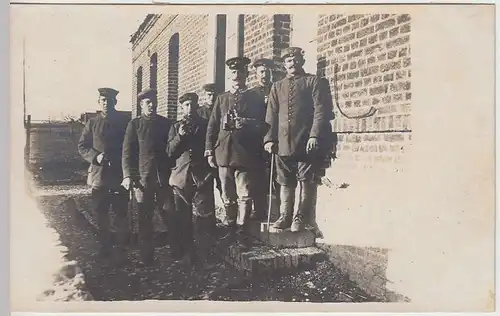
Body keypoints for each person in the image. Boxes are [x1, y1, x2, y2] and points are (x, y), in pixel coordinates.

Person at [264, 47, 332, 232]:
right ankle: (285, 216)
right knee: (285, 180)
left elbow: (320, 112)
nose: (291, 63)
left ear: (301, 61)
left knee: (305, 178)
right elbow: (271, 116)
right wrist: (269, 139)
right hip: (282, 143)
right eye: (288, 61)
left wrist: (314, 135)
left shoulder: (313, 82)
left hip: (305, 142)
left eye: (294, 60)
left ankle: (300, 217)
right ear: (284, 65)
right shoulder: (277, 87)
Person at [205, 56, 267, 250]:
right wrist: (209, 150)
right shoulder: (222, 98)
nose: (236, 77)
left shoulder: (255, 98)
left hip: (244, 155)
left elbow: (263, 124)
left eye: (240, 73)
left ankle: (242, 233)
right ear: (229, 76)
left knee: (244, 195)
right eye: (233, 73)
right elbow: (212, 126)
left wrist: (246, 123)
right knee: (227, 195)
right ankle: (231, 229)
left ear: (245, 75)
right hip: (223, 153)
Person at [121, 88, 175, 266]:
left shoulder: (166, 124)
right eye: (147, 102)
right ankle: (147, 257)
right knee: (145, 219)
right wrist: (128, 175)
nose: (151, 105)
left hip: (163, 178)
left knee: (169, 214)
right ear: (141, 105)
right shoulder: (134, 125)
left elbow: (172, 150)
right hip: (142, 180)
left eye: (153, 101)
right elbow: (127, 153)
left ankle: (177, 251)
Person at [78, 87, 130, 264]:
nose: (106, 103)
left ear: (115, 102)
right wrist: (95, 156)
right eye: (103, 100)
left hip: (118, 175)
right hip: (99, 176)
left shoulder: (124, 122)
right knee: (101, 214)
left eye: (110, 100)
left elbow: (130, 146)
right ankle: (105, 248)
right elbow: (82, 146)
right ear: (99, 102)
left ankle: (121, 249)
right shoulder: (92, 123)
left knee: (120, 214)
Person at [167, 92, 216, 265]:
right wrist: (179, 136)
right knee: (183, 218)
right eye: (186, 105)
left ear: (197, 106)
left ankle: (205, 255)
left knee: (204, 218)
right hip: (181, 178)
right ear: (182, 107)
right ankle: (188, 254)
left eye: (192, 104)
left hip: (202, 176)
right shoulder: (175, 127)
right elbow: (169, 152)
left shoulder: (205, 125)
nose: (190, 108)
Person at [248, 58, 279, 221]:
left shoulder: (277, 89)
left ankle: (278, 212)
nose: (265, 75)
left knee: (276, 175)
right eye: (261, 71)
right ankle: (259, 211)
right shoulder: (251, 94)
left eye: (267, 71)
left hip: (275, 138)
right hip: (257, 141)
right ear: (256, 74)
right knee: (258, 176)